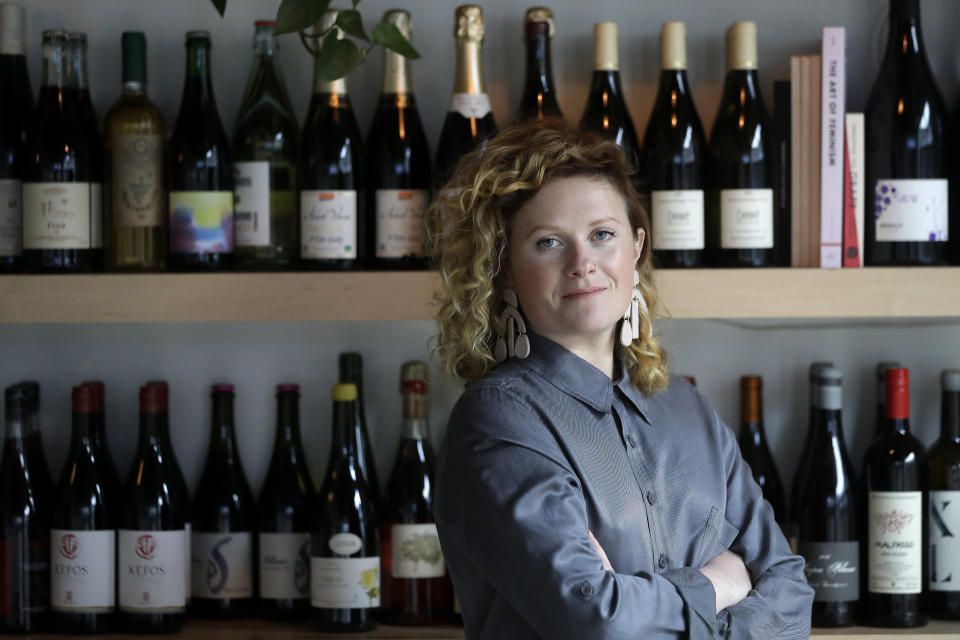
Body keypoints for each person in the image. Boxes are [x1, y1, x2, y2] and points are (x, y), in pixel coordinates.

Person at [429, 119, 813, 639]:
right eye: (547, 243)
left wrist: (641, 605)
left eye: (602, 235)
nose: (582, 263)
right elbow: (592, 618)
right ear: (504, 270)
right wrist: (717, 585)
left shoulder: (687, 407)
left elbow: (790, 591)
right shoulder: (498, 420)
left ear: (635, 248)